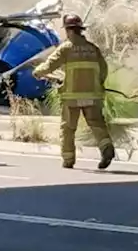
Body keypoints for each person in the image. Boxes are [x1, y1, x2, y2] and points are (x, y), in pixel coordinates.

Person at [32, 14, 115, 170]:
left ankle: (68, 159)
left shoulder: (66, 48)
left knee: (68, 128)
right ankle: (106, 147)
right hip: (93, 96)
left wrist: (37, 72)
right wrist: (98, 84)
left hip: (72, 97)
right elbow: (103, 70)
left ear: (68, 30)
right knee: (97, 124)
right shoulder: (93, 48)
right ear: (80, 29)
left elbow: (50, 65)